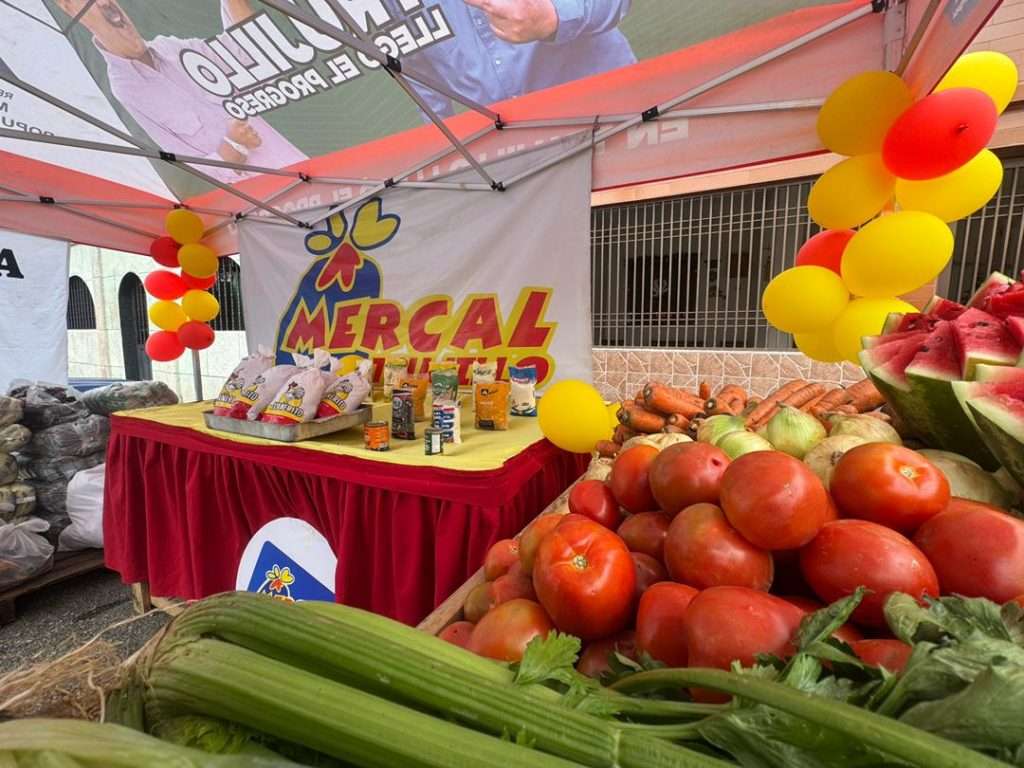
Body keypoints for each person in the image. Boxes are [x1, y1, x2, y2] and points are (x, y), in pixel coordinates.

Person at [52, 0, 307, 182]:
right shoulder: (126, 90)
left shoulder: (171, 47)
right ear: (67, 7)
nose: (105, 2)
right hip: (267, 201)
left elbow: (245, 53)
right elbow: (196, 167)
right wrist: (234, 144)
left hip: (306, 170)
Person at [392, 0, 635, 118]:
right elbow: (417, 68)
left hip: (605, 108)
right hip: (507, 146)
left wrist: (550, 18)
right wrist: (446, 149)